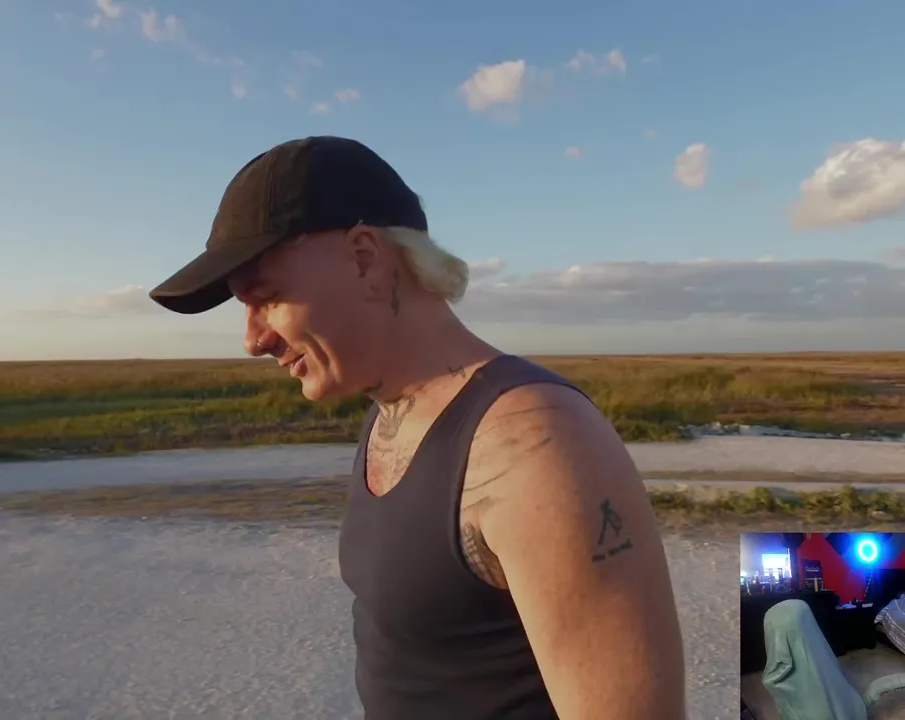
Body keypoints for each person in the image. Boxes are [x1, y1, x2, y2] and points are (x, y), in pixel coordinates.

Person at [150, 136, 687, 720]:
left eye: (268, 298)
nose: (253, 340)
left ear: (365, 258)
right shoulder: (387, 411)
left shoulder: (538, 444)